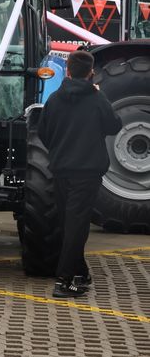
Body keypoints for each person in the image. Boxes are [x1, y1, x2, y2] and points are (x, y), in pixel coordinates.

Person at [37, 50, 122, 298]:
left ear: (69, 71)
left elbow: (43, 131)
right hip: (87, 171)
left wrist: (59, 150)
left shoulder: (53, 99)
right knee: (77, 225)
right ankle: (64, 281)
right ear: (91, 73)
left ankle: (80, 272)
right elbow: (114, 125)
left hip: (61, 168)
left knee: (68, 222)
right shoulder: (97, 99)